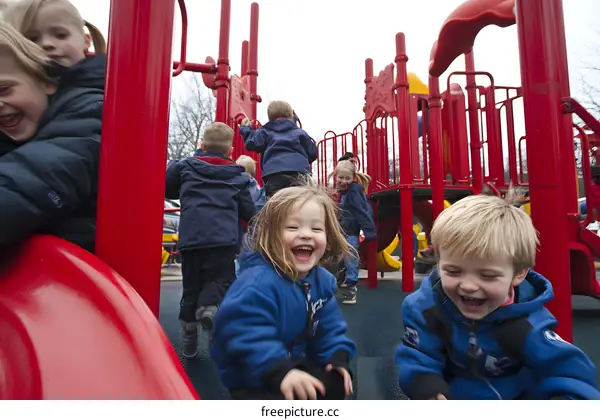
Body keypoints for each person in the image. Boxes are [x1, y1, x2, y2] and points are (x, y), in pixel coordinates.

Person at [395, 193, 600, 400]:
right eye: (453, 272)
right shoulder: (428, 308)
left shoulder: (526, 324)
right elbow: (419, 355)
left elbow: (570, 371)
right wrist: (430, 390)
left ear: (518, 273)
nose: (468, 286)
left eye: (487, 275)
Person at [210, 185, 356, 400]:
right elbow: (243, 333)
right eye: (292, 227)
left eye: (316, 229)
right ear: (270, 236)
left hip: (290, 357)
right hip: (254, 371)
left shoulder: (321, 282)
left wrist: (337, 358)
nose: (305, 235)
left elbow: (330, 328)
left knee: (334, 384)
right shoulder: (258, 284)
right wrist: (280, 371)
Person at [0, 21, 104, 252]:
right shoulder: (18, 134)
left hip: (83, 275)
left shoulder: (89, 112)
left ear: (46, 81)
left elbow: (34, 181)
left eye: (4, 89)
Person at [165, 122, 256, 358]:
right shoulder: (237, 174)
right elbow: (248, 209)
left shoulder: (186, 167)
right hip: (223, 240)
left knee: (190, 287)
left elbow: (168, 187)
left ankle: (189, 341)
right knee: (221, 278)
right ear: (230, 152)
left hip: (192, 238)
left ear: (201, 145)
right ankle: (209, 307)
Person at [239, 101, 318, 198]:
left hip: (274, 173)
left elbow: (252, 143)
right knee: (299, 201)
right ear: (291, 115)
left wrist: (246, 129)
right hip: (298, 172)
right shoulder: (299, 132)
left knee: (276, 202)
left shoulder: (265, 131)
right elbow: (313, 152)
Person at [3, 0, 106, 68]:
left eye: (60, 35)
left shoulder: (104, 84)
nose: (46, 44)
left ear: (86, 41)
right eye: (32, 39)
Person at [333, 160, 377, 304]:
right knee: (341, 258)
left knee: (350, 258)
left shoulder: (354, 191)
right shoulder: (343, 191)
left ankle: (351, 287)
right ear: (336, 175)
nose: (343, 181)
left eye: (347, 178)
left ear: (353, 178)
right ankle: (342, 283)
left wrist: (369, 231)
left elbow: (361, 211)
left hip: (351, 231)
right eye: (341, 177)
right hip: (344, 231)